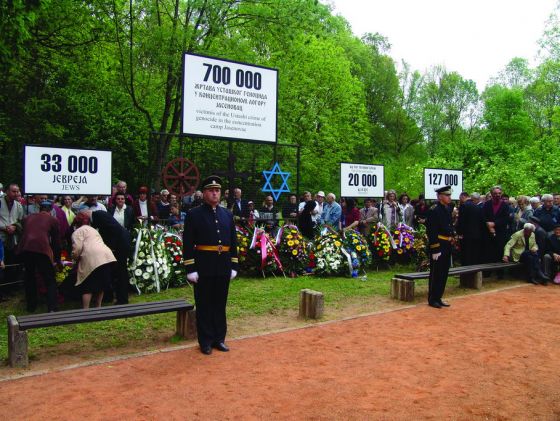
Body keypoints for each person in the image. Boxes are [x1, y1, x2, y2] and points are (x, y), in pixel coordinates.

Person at [183, 175, 238, 355]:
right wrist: (191, 268)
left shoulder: (227, 214)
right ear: (204, 193)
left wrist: (234, 265)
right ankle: (205, 341)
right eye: (211, 190)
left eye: (217, 191)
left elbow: (233, 242)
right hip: (204, 266)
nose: (215, 193)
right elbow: (188, 243)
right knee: (204, 304)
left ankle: (219, 339)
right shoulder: (194, 214)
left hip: (223, 266)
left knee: (220, 304)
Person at [17, 200, 61, 312]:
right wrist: (57, 260)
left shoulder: (27, 218)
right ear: (51, 210)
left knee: (29, 277)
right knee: (49, 279)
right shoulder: (52, 220)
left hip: (26, 249)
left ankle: (31, 306)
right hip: (41, 250)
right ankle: (52, 307)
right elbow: (56, 242)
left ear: (39, 209)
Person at [72, 213, 117, 308]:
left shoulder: (77, 232)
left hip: (91, 258)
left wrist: (74, 258)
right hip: (105, 256)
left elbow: (77, 248)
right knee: (101, 284)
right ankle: (98, 306)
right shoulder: (93, 230)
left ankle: (86, 310)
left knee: (87, 287)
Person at [88, 210, 131, 305]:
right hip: (120, 242)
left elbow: (112, 229)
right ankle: (109, 296)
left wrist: (112, 247)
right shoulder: (98, 215)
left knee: (120, 272)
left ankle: (122, 299)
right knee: (113, 271)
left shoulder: (97, 216)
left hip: (120, 245)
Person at [426, 186, 454, 309]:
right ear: (440, 196)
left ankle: (439, 297)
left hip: (447, 244)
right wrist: (435, 248)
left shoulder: (447, 208)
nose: (449, 197)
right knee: (436, 273)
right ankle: (433, 299)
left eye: (449, 195)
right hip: (439, 244)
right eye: (447, 195)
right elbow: (431, 231)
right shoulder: (434, 210)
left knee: (444, 273)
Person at [482, 186, 512, 278]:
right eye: (495, 193)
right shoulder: (486, 204)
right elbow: (483, 216)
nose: (497, 195)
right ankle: (487, 272)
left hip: (501, 233)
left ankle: (500, 273)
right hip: (488, 232)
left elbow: (506, 219)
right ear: (491, 194)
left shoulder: (505, 206)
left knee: (500, 252)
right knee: (488, 252)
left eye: (499, 193)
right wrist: (488, 224)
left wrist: (494, 224)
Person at [0, 184, 24, 284]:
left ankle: (9, 285)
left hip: (13, 239)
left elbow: (21, 221)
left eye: (17, 191)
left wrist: (15, 226)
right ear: (7, 191)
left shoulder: (18, 205)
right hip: (1, 237)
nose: (16, 193)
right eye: (13, 191)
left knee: (11, 262)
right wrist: (4, 227)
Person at [456, 192, 485, 266]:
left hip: (466, 236)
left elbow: (461, 221)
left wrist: (459, 232)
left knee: (466, 256)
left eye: (460, 198)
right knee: (475, 255)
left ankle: (467, 271)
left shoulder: (464, 206)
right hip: (477, 235)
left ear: (463, 197)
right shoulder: (477, 207)